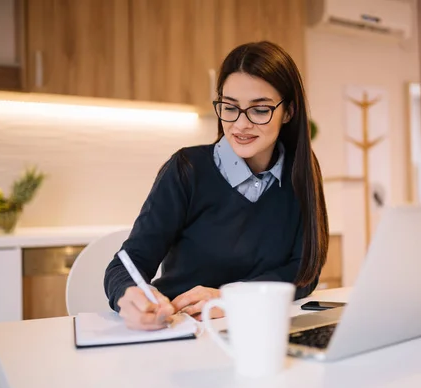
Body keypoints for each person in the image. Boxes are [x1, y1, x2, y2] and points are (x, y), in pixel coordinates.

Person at [104, 41, 329, 331]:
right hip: (183, 329)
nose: (240, 125)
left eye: (259, 110)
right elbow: (125, 266)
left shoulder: (301, 172)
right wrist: (129, 295)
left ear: (288, 112)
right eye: (230, 108)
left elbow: (304, 272)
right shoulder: (187, 169)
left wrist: (231, 297)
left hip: (262, 329)